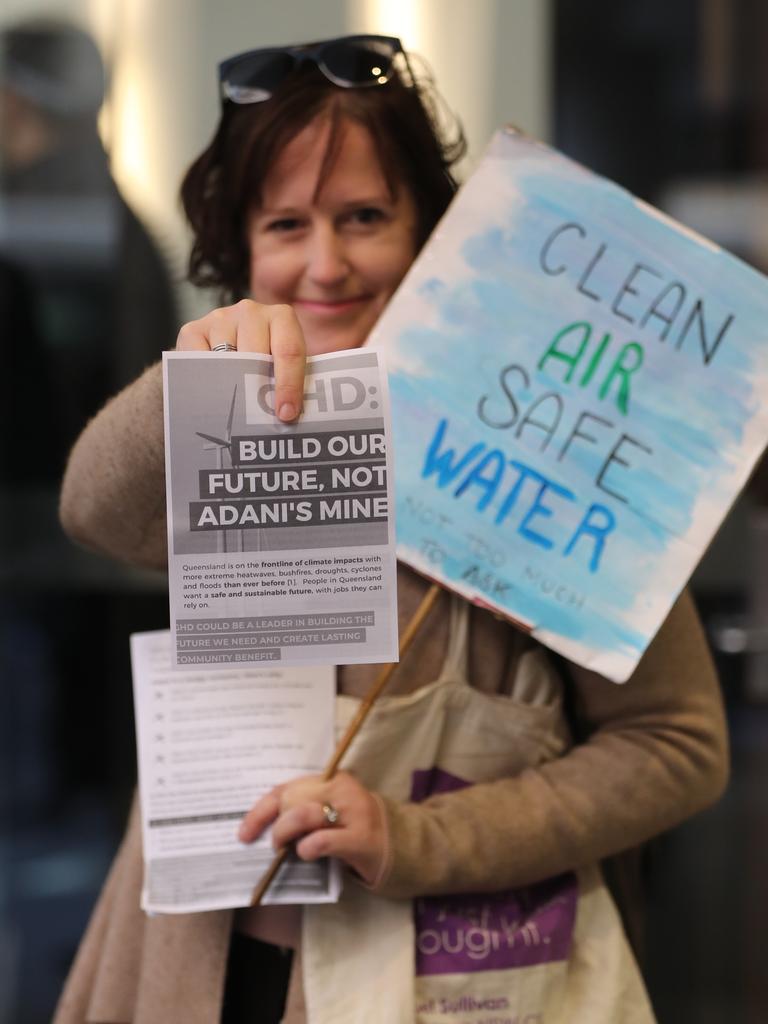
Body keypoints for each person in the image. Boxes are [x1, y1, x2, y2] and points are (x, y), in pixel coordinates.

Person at [55, 35, 728, 1024]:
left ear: (429, 230)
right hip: (204, 964)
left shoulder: (542, 448)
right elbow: (93, 512)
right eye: (286, 223)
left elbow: (679, 742)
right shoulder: (231, 422)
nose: (325, 264)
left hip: (455, 977)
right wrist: (185, 381)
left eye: (365, 216)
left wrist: (416, 838)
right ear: (242, 245)